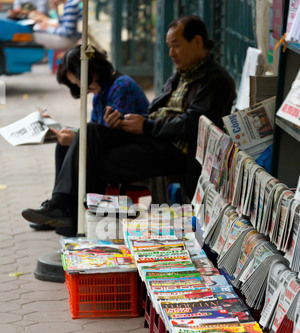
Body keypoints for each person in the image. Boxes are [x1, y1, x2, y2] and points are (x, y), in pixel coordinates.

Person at [22, 15, 236, 236]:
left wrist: (147, 126)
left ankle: (70, 220)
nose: (171, 53)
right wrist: (123, 122)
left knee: (89, 159)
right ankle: (60, 206)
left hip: (172, 150)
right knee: (90, 133)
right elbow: (153, 111)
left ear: (197, 42)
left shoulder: (216, 80)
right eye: (169, 46)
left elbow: (193, 124)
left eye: (177, 45)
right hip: (151, 136)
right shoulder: (180, 76)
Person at [29, 44, 149, 232]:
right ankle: (61, 210)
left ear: (91, 70)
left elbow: (106, 133)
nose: (80, 86)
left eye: (79, 80)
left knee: (87, 134)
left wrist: (78, 136)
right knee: (64, 145)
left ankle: (62, 206)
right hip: (111, 145)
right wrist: (60, 129)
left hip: (134, 148)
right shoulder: (99, 95)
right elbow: (99, 133)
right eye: (76, 84)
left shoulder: (122, 86)